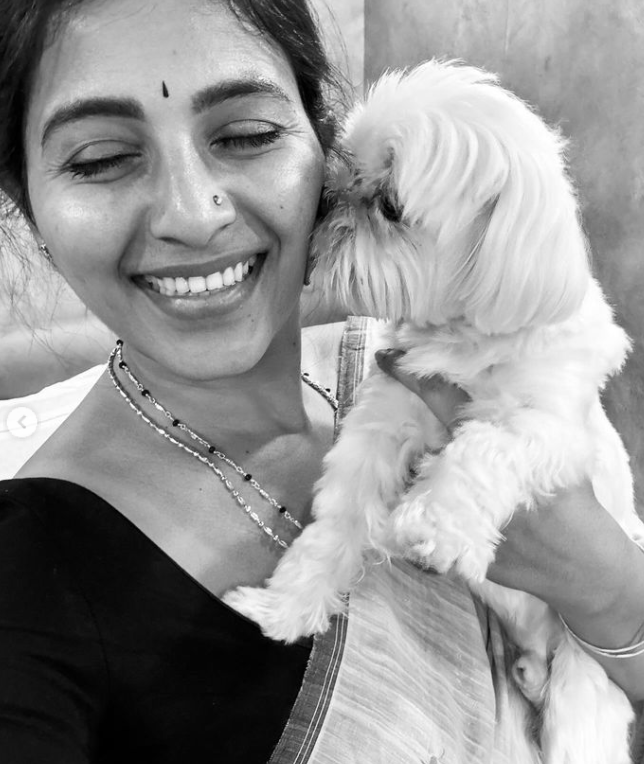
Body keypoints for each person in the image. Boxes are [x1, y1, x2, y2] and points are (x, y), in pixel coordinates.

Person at [0, 0, 643, 761]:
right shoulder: (28, 589)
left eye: (246, 135)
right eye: (102, 157)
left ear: (321, 143)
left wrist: (611, 592)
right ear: (26, 201)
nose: (193, 215)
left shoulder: (424, 365)